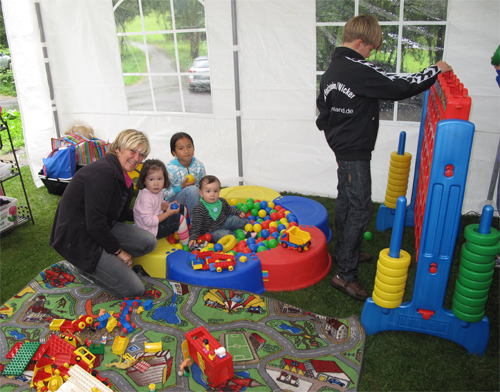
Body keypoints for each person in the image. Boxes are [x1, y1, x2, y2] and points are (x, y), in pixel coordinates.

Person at [316, 14, 452, 301]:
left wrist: (337, 147)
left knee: (346, 202)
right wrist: (434, 70)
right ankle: (345, 274)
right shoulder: (358, 69)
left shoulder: (331, 71)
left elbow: (323, 116)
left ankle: (344, 253)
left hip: (344, 149)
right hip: (353, 152)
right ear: (360, 42)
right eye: (370, 48)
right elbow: (400, 86)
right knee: (361, 209)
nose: (371, 54)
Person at [50, 129, 158, 299]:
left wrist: (153, 211)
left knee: (148, 242)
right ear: (118, 149)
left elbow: (114, 212)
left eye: (141, 154)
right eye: (133, 151)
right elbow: (95, 222)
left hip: (98, 227)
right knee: (135, 290)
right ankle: (84, 269)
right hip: (78, 238)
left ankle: (105, 258)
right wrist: (118, 251)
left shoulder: (121, 174)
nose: (137, 158)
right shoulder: (103, 173)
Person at [133, 159, 190, 248]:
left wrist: (167, 206)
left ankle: (182, 231)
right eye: (151, 179)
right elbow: (149, 222)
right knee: (179, 219)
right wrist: (168, 213)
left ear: (164, 178)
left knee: (182, 208)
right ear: (144, 181)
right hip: (151, 231)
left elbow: (160, 204)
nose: (156, 183)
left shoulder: (157, 191)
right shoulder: (145, 198)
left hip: (157, 220)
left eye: (159, 179)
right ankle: (187, 246)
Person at [188, 175, 247, 248]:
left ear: (219, 191)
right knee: (227, 235)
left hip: (224, 222)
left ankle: (249, 227)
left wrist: (238, 212)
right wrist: (193, 238)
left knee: (236, 219)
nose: (212, 194)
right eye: (208, 191)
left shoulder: (221, 201)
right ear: (201, 193)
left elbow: (229, 210)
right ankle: (242, 235)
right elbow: (196, 225)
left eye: (215, 191)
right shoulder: (199, 208)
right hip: (212, 232)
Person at [163, 132, 206, 216]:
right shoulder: (170, 170)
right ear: (174, 153)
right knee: (193, 190)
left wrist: (202, 199)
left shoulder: (199, 165)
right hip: (175, 202)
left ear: (194, 148)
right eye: (181, 148)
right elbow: (163, 192)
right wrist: (181, 187)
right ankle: (196, 224)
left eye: (189, 146)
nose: (186, 151)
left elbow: (203, 186)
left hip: (195, 200)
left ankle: (194, 215)